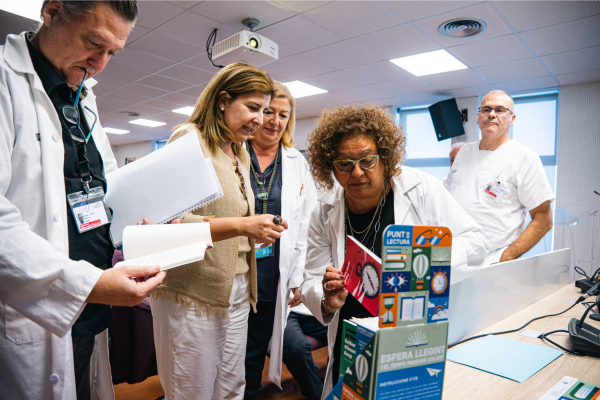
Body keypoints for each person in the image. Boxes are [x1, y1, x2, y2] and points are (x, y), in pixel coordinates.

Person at [0, 1, 171, 399]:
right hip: (36, 306)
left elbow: (102, 191)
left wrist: (140, 226)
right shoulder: (6, 82)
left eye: (113, 52)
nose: (100, 63)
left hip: (88, 308)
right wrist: (88, 283)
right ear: (52, 11)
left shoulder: (83, 96)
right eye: (94, 43)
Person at [297, 105, 489, 398]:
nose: (357, 172)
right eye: (344, 163)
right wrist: (326, 297)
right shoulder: (325, 210)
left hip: (408, 332)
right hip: (351, 336)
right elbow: (311, 276)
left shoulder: (421, 188)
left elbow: (475, 244)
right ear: (330, 165)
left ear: (385, 158)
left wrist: (420, 261)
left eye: (367, 160)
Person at [150, 63, 288, 400]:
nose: (260, 119)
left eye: (265, 110)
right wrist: (243, 225)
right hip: (194, 291)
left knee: (231, 388)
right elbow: (170, 222)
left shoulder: (240, 151)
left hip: (237, 288)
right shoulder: (189, 139)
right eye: (253, 108)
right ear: (223, 100)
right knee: (190, 390)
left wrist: (255, 227)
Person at [243, 81, 317, 399]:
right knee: (229, 352)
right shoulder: (234, 152)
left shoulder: (296, 164)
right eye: (269, 111)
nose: (275, 121)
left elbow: (304, 227)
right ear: (257, 113)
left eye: (283, 115)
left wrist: (297, 279)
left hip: (274, 275)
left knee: (254, 351)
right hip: (237, 271)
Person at [444, 90, 555, 265]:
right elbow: (447, 199)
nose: (492, 115)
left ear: (512, 119)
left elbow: (544, 219)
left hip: (491, 263)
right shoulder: (464, 152)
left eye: (500, 110)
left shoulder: (524, 157)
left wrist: (507, 256)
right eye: (486, 109)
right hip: (451, 257)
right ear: (478, 116)